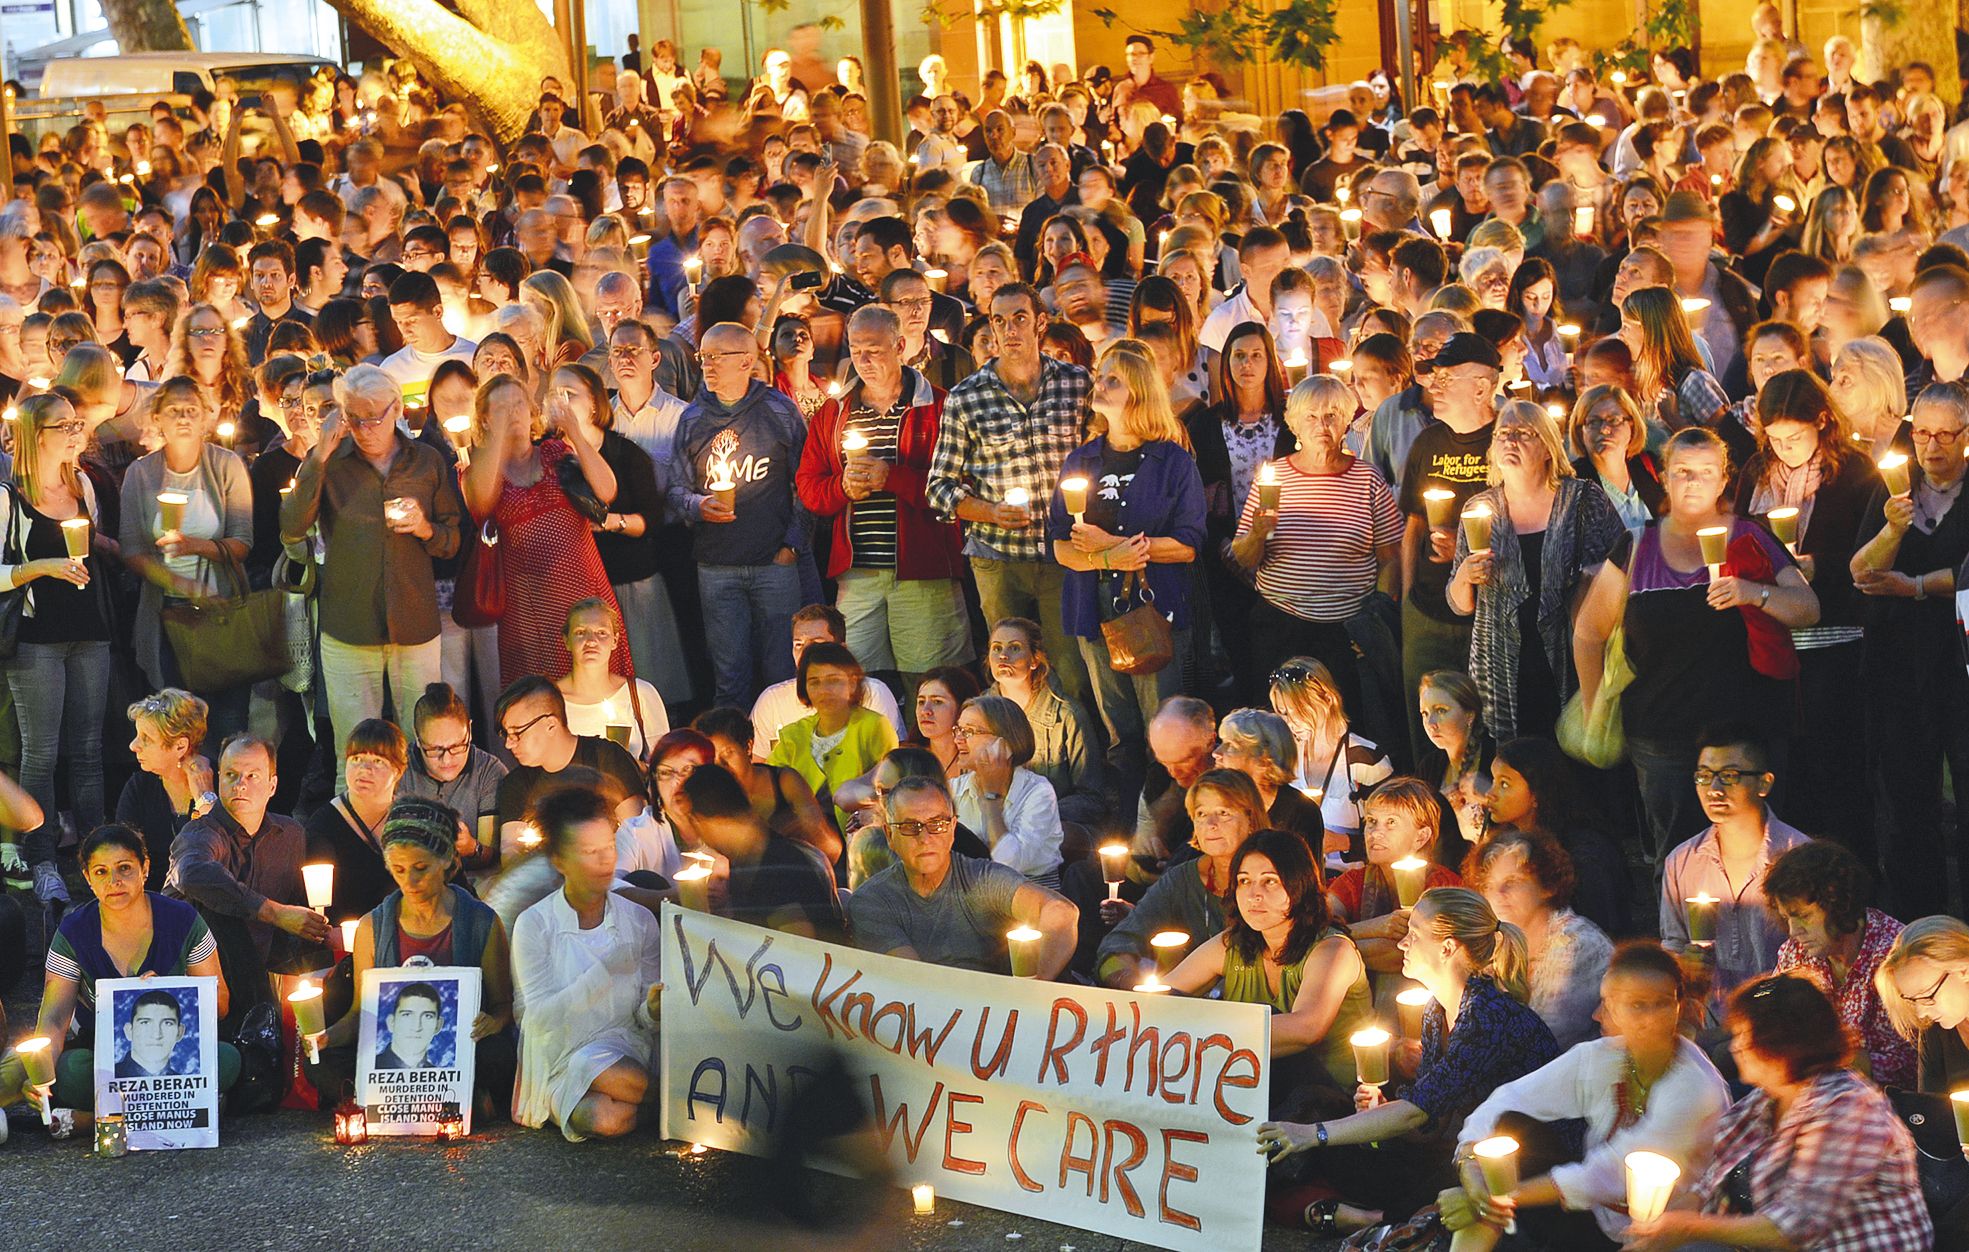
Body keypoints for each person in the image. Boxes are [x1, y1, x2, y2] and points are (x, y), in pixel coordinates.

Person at [1573, 428, 1818, 864]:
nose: (1693, 482)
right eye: (1683, 471)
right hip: (1662, 734)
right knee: (1676, 856)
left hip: (1747, 732)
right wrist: (1596, 709)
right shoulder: (1637, 546)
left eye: (1706, 472)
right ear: (1665, 477)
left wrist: (1752, 592)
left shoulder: (1749, 537)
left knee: (1760, 854)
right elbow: (1589, 633)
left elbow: (1807, 608)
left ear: (1723, 480)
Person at [1255, 888, 1560, 1236]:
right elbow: (1429, 1123)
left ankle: (1379, 1218)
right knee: (1320, 1105)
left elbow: (1417, 1113)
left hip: (1527, 1162)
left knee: (1439, 1178)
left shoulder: (1488, 1016)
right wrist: (1381, 1109)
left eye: (1414, 934)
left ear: (1447, 948)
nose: (1402, 943)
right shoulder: (1436, 1011)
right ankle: (1384, 1215)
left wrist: (1313, 1134)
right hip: (1468, 1148)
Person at [1441, 942, 1731, 1251]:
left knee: (1477, 1204)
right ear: (1611, 1007)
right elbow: (1506, 1100)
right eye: (1637, 1005)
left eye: (1663, 1004)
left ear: (1679, 1005)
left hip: (1671, 1238)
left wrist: (1493, 1200)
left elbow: (1609, 1173)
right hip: (1600, 1220)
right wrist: (1471, 1168)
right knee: (1508, 1126)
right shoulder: (1601, 1058)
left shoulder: (1695, 1086)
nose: (1652, 1018)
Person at [1625, 974, 1931, 1251]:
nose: (1735, 1047)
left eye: (1745, 1036)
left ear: (1783, 1044)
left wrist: (1687, 1228)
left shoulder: (1848, 1108)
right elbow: (1711, 1183)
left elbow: (1793, 1228)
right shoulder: (1765, 1101)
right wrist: (1658, 1222)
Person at [927, 283, 1096, 719]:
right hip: (998, 556)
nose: (1009, 330)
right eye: (999, 321)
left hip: (1063, 552)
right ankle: (1013, 749)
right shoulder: (967, 397)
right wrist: (991, 512)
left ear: (1041, 323)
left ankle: (1073, 751)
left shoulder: (1076, 384)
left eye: (1020, 318)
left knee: (1071, 671)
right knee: (1008, 672)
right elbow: (939, 487)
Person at [280, 364, 461, 772]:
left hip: (413, 622)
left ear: (397, 408)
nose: (364, 429)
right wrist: (320, 455)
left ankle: (417, 809)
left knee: (422, 744)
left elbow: (452, 541)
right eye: (354, 418)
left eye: (373, 418)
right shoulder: (329, 461)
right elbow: (291, 525)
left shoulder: (426, 461)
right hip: (349, 625)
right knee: (353, 749)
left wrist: (425, 528)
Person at [1048, 340, 1206, 805]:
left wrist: (1117, 547)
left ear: (1138, 392)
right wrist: (1106, 559)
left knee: (1165, 731)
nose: (1098, 385)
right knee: (1119, 732)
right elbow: (1060, 545)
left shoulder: (1172, 460)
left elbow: (1188, 545)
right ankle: (1122, 821)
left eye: (1112, 379)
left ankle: (1165, 820)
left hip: (1153, 610)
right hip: (1093, 607)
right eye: (1100, 376)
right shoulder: (1081, 460)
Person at [1736, 370, 1879, 852]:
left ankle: (1850, 866)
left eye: (1794, 438)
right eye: (1774, 439)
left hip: (1836, 643)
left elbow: (1871, 552)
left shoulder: (1855, 472)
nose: (1784, 450)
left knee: (1838, 768)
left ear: (1821, 421)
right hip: (1773, 644)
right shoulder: (1757, 473)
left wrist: (1818, 566)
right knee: (1788, 771)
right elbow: (1738, 537)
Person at [795, 305, 972, 697]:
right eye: (856, 350)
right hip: (858, 573)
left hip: (923, 570)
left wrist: (893, 479)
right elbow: (808, 486)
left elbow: (963, 487)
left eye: (874, 350)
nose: (864, 360)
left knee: (930, 681)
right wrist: (842, 488)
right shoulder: (834, 413)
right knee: (853, 679)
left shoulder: (939, 407)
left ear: (901, 346)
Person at [304, 797, 514, 1108]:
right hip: (392, 1053)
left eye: (421, 868)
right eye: (399, 870)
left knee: (499, 1055)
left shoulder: (481, 922)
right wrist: (326, 1037)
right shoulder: (372, 927)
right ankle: (413, 1102)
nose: (410, 882)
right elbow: (362, 1014)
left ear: (447, 860)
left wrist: (492, 1022)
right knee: (318, 1061)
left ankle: (424, 1099)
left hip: (459, 1047)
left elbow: (503, 1004)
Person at [1851, 382, 1969, 920]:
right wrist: (1893, 529)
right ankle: (1919, 919)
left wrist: (1916, 586)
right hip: (1899, 661)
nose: (1931, 446)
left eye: (1946, 434)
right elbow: (1862, 571)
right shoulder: (1895, 488)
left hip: (1960, 659)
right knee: (1906, 799)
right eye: (1922, 433)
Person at [27, 824, 239, 1109]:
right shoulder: (73, 932)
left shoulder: (183, 920)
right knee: (70, 1072)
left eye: (124, 868)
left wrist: (170, 991)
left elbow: (220, 1004)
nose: (114, 881)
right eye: (101, 872)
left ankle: (107, 1116)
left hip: (178, 1056)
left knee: (227, 1059)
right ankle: (183, 1107)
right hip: (105, 1058)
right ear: (88, 878)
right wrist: (41, 1074)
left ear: (145, 868)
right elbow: (53, 1019)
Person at [1447, 401, 1622, 743]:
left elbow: (1622, 567)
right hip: (1502, 665)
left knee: (1572, 754)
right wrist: (1465, 576)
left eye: (1523, 433)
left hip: (1572, 657)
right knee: (1513, 760)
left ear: (1547, 447)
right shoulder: (1479, 509)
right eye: (1502, 433)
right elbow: (1459, 605)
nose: (1509, 441)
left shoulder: (1584, 500)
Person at [1233, 375, 1403, 719]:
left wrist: (1375, 617)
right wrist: (1258, 534)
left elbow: (1391, 558)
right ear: (1294, 424)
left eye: (1331, 416)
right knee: (1280, 723)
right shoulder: (1274, 479)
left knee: (1345, 721)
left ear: (1346, 422)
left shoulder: (1367, 479)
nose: (1321, 426)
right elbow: (1244, 558)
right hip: (1281, 626)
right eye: (1310, 416)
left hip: (1346, 632)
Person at [1163, 829, 1373, 1098]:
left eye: (1270, 881)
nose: (1254, 895)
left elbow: (1306, 1028)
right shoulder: (1233, 944)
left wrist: (1206, 1035)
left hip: (1336, 1099)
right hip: (1253, 1093)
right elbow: (1161, 997)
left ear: (1299, 885)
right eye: (1244, 881)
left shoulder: (1332, 950)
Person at [665, 321, 810, 707]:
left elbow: (806, 484)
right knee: (729, 675)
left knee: (783, 672)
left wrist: (791, 546)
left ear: (747, 361)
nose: (707, 366)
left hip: (773, 563)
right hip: (717, 567)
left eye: (717, 357)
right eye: (703, 357)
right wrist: (697, 506)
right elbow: (675, 489)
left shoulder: (779, 411)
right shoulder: (693, 419)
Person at [0, 394, 109, 894]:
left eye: (76, 423)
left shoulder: (81, 483)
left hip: (89, 631)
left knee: (88, 750)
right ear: (34, 435)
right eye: (62, 425)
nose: (74, 432)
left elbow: (96, 548)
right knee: (40, 753)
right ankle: (41, 860)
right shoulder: (10, 496)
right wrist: (42, 567)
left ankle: (100, 856)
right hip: (37, 637)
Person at [511, 787, 662, 1141]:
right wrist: (602, 974)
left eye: (609, 847)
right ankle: (670, 1103)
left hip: (623, 1049)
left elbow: (644, 1018)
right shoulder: (535, 924)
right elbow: (538, 1018)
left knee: (601, 1078)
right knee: (602, 1117)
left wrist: (654, 1008)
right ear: (560, 861)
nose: (605, 861)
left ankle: (663, 1102)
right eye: (589, 852)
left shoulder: (638, 920)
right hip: (561, 1055)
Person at [462, 373, 623, 689]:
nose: (513, 413)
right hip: (529, 607)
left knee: (597, 684)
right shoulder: (477, 470)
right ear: (485, 419)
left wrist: (574, 432)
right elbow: (481, 503)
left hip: (583, 589)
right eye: (501, 408)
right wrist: (499, 439)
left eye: (518, 404)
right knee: (541, 692)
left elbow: (607, 490)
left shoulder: (555, 452)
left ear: (532, 409)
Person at [164, 735, 327, 1028]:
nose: (240, 784)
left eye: (252, 776)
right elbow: (192, 872)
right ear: (219, 780)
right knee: (217, 906)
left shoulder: (290, 835)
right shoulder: (201, 832)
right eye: (231, 775)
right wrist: (273, 912)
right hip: (199, 979)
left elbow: (300, 909)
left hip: (267, 973)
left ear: (272, 786)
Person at [849, 773, 1078, 976]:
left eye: (937, 824)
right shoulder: (872, 901)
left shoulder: (983, 879)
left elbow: (1060, 912)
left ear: (952, 829)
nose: (925, 838)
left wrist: (1033, 985)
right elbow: (915, 980)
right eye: (910, 827)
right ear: (890, 835)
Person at [1397, 333, 1500, 763]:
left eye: (1447, 378)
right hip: (1427, 611)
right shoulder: (1427, 443)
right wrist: (1407, 602)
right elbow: (1413, 526)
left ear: (1482, 386)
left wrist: (1465, 549)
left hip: (1488, 615)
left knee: (1489, 726)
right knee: (1427, 732)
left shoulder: (1506, 441)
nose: (1433, 387)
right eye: (1433, 377)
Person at [1658, 723, 1812, 1009]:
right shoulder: (1682, 861)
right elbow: (1672, 945)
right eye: (1704, 776)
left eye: (1729, 776)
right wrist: (1684, 965)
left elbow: (1821, 958)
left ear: (1764, 783)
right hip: (1709, 1018)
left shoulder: (1799, 857)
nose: (1714, 789)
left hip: (1783, 1014)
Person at [1095, 768, 1265, 987]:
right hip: (1184, 999)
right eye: (1201, 814)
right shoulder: (1181, 879)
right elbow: (1118, 943)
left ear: (1251, 819)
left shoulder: (1277, 879)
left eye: (1223, 813)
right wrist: (1133, 985)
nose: (1211, 824)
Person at [1764, 838, 1913, 1087]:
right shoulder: (1797, 952)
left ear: (1837, 903)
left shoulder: (1894, 954)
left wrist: (1827, 1052)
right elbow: (1769, 1004)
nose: (1793, 931)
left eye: (1804, 916)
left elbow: (1911, 1065)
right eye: (1786, 918)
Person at [1467, 829, 1612, 1049]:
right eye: (1488, 885)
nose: (1498, 894)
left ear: (1547, 886)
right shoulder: (1495, 942)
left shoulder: (1579, 945)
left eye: (1512, 882)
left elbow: (1546, 1037)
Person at [675, 763, 846, 940]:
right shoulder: (747, 861)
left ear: (703, 819)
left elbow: (798, 945)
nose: (698, 834)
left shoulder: (776, 868)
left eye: (693, 821)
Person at [493, 678, 647, 864]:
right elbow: (512, 855)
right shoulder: (517, 783)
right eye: (506, 734)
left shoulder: (607, 758)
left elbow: (638, 836)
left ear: (551, 724)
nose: (509, 744)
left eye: (517, 733)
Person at [1325, 777, 1461, 973]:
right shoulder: (1353, 882)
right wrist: (1375, 927)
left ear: (1421, 837)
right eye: (1371, 821)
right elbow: (1318, 930)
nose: (1374, 833)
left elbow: (1403, 953)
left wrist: (1331, 949)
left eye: (1391, 822)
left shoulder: (1445, 887)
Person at [983, 617, 1104, 827]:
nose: (1003, 655)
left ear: (1034, 660)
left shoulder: (1067, 715)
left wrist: (1040, 813)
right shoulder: (977, 715)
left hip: (1053, 826)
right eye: (997, 648)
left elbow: (1091, 796)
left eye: (1014, 648)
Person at [768, 640, 899, 833]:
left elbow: (893, 785)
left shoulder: (874, 726)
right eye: (814, 682)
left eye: (833, 680)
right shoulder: (792, 735)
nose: (824, 690)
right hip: (803, 840)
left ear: (852, 683)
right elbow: (768, 786)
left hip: (861, 836)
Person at [748, 605, 905, 757]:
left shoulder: (873, 694)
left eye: (817, 643)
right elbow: (759, 766)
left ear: (841, 649)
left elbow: (891, 764)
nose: (805, 652)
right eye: (798, 644)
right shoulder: (772, 701)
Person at [949, 694, 1068, 889]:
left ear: (1004, 743)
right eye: (958, 730)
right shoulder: (953, 789)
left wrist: (991, 799)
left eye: (969, 731)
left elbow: (1008, 865)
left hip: (1032, 898)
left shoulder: (1038, 791)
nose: (958, 739)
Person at [304, 718, 411, 922]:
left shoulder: (413, 819)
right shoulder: (324, 826)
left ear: (398, 771)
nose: (364, 769)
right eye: (356, 759)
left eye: (378, 761)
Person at [397, 682, 507, 877]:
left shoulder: (489, 771)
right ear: (417, 737)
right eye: (435, 749)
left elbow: (496, 859)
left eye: (457, 746)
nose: (447, 760)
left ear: (469, 730)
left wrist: (471, 847)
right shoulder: (398, 768)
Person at [553, 598, 668, 761]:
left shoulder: (640, 694)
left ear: (615, 640)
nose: (591, 641)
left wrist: (631, 766)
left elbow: (663, 764)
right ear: (567, 641)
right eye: (580, 632)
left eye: (601, 633)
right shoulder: (550, 700)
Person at [1212, 707, 1328, 853]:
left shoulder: (1300, 813)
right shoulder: (1215, 803)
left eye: (1231, 746)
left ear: (1264, 759)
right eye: (1222, 742)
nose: (1216, 753)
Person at [1567, 384, 1663, 535]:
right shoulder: (1572, 486)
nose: (1604, 429)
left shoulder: (1651, 466)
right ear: (1580, 432)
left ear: (1632, 425)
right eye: (1593, 422)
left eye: (1614, 420)